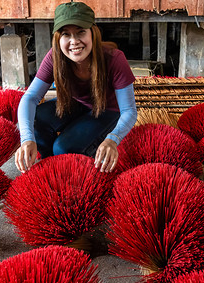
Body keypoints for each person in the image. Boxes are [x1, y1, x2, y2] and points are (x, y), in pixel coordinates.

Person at [15, 1, 137, 173]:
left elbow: (129, 111)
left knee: (64, 148)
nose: (74, 42)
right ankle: (47, 167)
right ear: (58, 37)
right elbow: (30, 97)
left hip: (108, 111)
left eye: (81, 32)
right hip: (76, 104)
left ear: (93, 33)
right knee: (29, 123)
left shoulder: (114, 59)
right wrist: (27, 139)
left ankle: (68, 164)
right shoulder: (54, 58)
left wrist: (112, 139)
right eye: (66, 34)